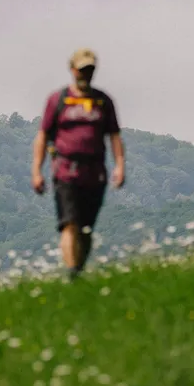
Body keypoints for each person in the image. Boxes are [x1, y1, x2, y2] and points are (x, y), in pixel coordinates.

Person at [32, 48, 125, 280]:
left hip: (95, 173)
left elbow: (114, 136)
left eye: (90, 70)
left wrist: (120, 166)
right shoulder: (58, 100)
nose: (86, 74)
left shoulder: (103, 101)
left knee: (86, 229)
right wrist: (36, 171)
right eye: (82, 70)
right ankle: (72, 274)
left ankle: (78, 271)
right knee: (69, 223)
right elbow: (43, 135)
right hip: (65, 171)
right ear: (72, 70)